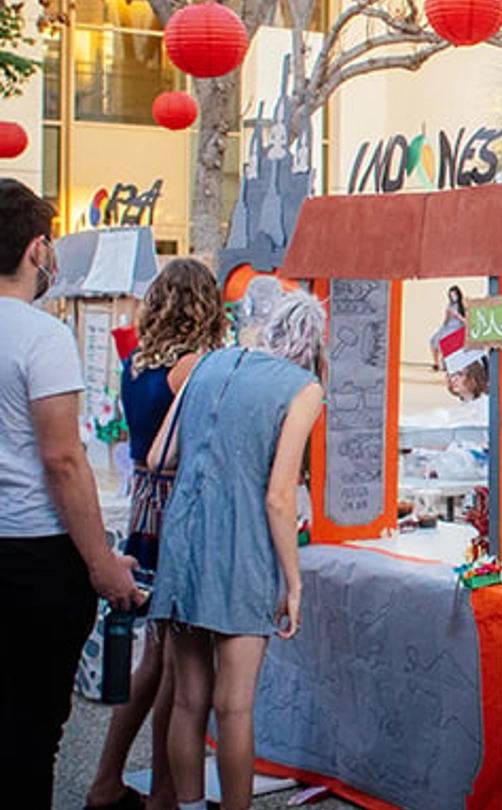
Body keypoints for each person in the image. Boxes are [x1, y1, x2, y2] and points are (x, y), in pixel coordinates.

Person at [147, 291, 326, 810]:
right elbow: (278, 496)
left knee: (187, 698)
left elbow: (161, 454)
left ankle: (187, 805)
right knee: (235, 706)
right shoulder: (303, 389)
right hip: (243, 548)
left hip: (184, 543)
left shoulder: (207, 364)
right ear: (311, 345)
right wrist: (293, 583)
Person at [0, 178, 142, 808]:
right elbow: (63, 459)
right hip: (32, 553)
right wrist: (102, 564)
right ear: (37, 250)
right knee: (30, 731)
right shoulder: (41, 337)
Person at [85, 258, 227, 810]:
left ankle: (106, 783)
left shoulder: (135, 362)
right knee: (177, 663)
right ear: (205, 306)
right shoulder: (195, 367)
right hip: (180, 512)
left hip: (144, 506)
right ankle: (164, 794)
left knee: (154, 658)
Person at [429, 284, 467, 370]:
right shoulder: (449, 305)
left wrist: (457, 315)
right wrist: (447, 315)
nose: (453, 297)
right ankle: (436, 363)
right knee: (433, 339)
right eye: (451, 295)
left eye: (454, 295)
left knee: (444, 340)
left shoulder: (463, 305)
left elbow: (466, 321)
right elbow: (445, 321)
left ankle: (446, 363)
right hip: (447, 326)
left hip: (457, 327)